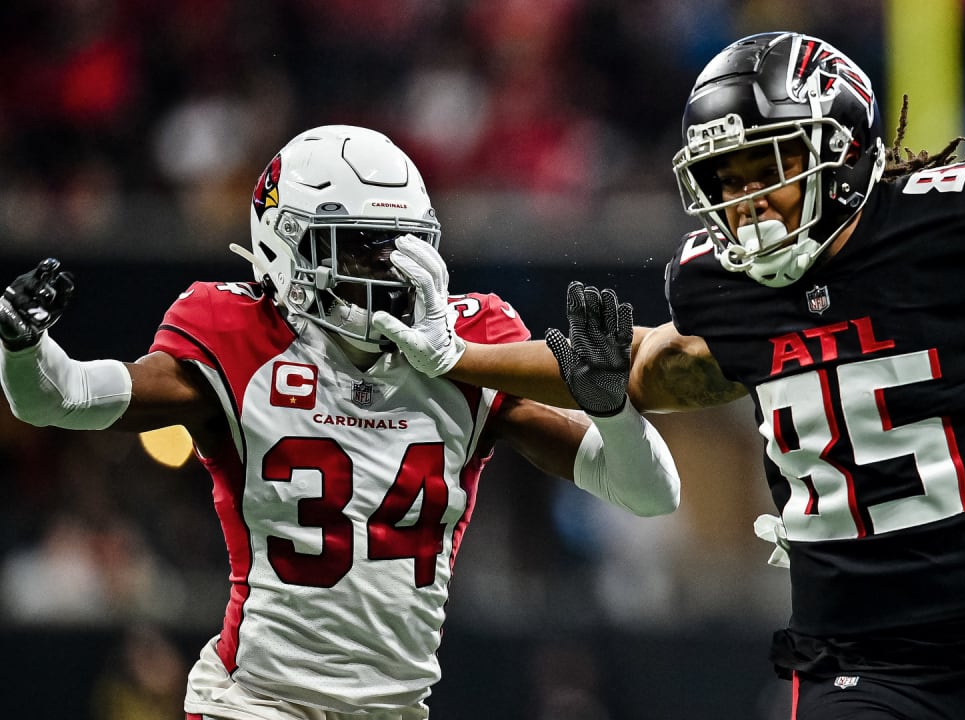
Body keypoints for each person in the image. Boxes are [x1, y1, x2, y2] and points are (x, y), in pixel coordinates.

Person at [435, 32, 965, 720]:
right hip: (851, 662)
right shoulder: (728, 293)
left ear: (841, 154)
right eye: (724, 182)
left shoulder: (952, 233)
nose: (746, 206)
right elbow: (637, 369)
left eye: (766, 168)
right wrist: (451, 356)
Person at [0, 124, 681, 719]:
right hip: (256, 702)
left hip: (392, 708)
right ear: (285, 244)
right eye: (360, 247)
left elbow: (654, 495)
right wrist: (26, 349)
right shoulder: (241, 337)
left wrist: (612, 409)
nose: (389, 271)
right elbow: (58, 397)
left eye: (402, 246)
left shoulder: (470, 349)